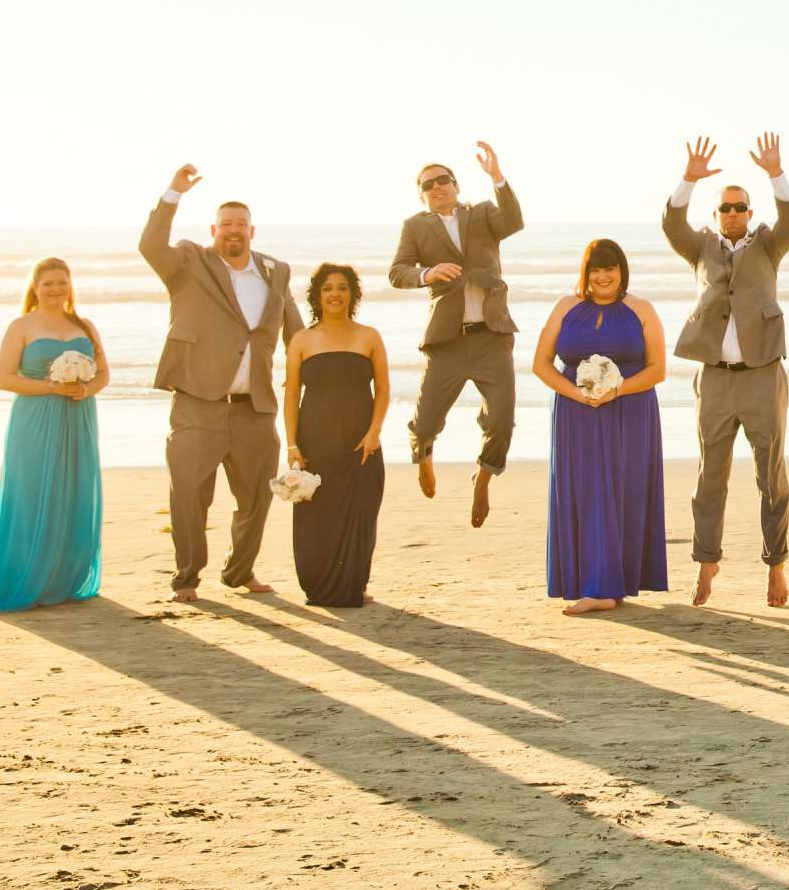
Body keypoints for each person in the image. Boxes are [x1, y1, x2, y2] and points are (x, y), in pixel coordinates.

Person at [140, 166, 304, 603]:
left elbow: (296, 334)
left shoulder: (276, 271)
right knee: (190, 495)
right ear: (214, 229)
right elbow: (150, 245)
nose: (233, 230)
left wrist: (319, 370)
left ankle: (240, 572)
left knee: (257, 497)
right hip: (198, 401)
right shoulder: (189, 262)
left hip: (256, 406)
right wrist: (173, 192)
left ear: (252, 230)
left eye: (241, 224)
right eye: (225, 224)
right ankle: (187, 577)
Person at [664, 132, 789, 608]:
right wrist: (688, 179)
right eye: (724, 208)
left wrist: (775, 173)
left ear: (749, 211)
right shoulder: (699, 247)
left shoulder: (769, 245)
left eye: (739, 207)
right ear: (716, 214)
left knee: (771, 475)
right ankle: (707, 563)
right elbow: (671, 222)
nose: (732, 214)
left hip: (763, 373)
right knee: (710, 476)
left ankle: (776, 566)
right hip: (715, 378)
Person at [389, 142, 523, 529]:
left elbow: (513, 221)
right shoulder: (415, 226)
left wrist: (497, 177)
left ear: (456, 185)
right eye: (428, 184)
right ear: (421, 194)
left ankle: (483, 477)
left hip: (492, 335)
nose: (437, 187)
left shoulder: (481, 214)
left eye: (443, 180)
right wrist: (426, 274)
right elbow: (397, 271)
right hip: (446, 339)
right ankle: (423, 455)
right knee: (427, 418)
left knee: (502, 418)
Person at [533, 239, 670, 615]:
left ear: (622, 271)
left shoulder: (641, 309)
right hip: (576, 414)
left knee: (623, 491)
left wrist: (616, 390)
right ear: (585, 272)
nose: (603, 276)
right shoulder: (566, 307)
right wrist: (578, 396)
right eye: (596, 269)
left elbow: (658, 369)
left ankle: (607, 587)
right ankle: (598, 585)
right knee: (587, 490)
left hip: (630, 410)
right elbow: (541, 364)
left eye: (610, 268)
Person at [0, 258, 108, 612]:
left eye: (62, 282)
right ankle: (26, 576)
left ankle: (64, 578)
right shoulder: (21, 326)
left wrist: (86, 389)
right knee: (31, 492)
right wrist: (51, 387)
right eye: (48, 283)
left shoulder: (85, 326)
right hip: (34, 418)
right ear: (35, 287)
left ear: (70, 286)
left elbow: (104, 373)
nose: (56, 289)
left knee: (75, 490)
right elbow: (5, 379)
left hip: (78, 416)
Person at [285, 263, 391, 608]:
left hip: (361, 441)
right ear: (318, 294)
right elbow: (290, 397)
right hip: (315, 441)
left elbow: (384, 390)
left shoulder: (370, 336)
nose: (335, 294)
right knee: (317, 517)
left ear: (352, 294)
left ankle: (353, 586)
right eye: (328, 288)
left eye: (342, 287)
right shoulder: (302, 340)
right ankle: (318, 587)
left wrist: (374, 432)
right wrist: (292, 444)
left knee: (361, 514)